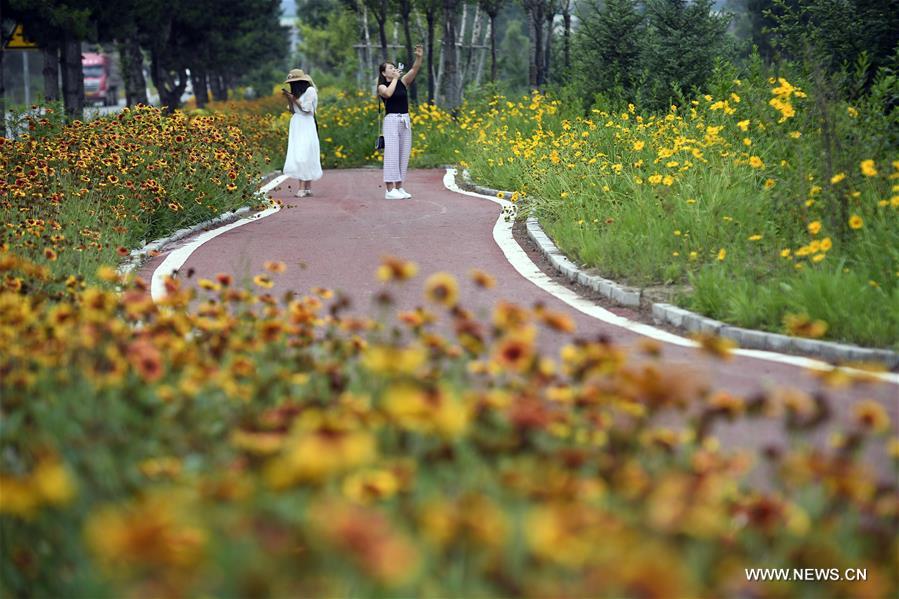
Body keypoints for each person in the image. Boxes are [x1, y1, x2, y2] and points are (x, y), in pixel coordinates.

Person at [377, 45, 423, 200]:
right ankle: (389, 190)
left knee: (404, 153)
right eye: (390, 68)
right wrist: (395, 79)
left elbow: (414, 70)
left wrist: (419, 57)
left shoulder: (403, 82)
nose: (393, 69)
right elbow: (388, 94)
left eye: (394, 67)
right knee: (392, 154)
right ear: (384, 72)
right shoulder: (382, 86)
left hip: (405, 120)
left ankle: (399, 186)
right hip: (391, 120)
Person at [282, 69, 322, 197]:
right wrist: (290, 99)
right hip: (297, 124)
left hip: (306, 123)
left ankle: (301, 188)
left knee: (304, 154)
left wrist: (293, 98)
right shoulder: (297, 93)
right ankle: (307, 188)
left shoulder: (310, 91)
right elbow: (293, 111)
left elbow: (306, 109)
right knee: (300, 153)